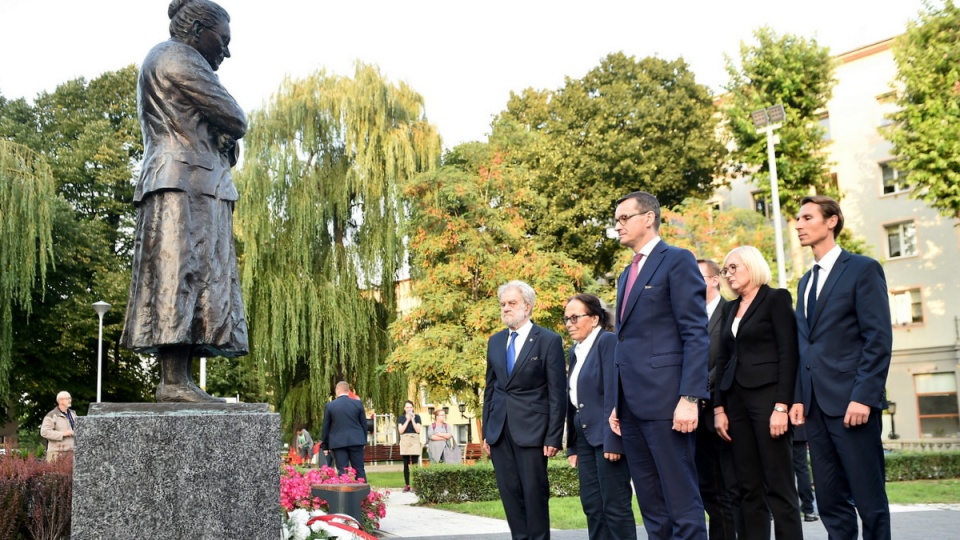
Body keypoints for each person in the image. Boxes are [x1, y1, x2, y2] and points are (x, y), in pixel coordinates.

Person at [120, 0, 248, 403]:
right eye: (222, 40)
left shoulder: (170, 58)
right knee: (180, 274)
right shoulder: (178, 58)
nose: (225, 51)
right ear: (196, 28)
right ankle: (173, 381)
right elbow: (235, 117)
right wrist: (226, 136)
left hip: (193, 181)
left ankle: (180, 379)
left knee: (195, 275)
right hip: (182, 182)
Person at [607, 191, 709, 540]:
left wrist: (690, 397)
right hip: (632, 408)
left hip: (668, 404)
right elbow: (625, 342)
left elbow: (695, 333)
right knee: (652, 507)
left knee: (682, 503)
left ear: (648, 218)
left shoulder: (677, 260)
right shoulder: (625, 274)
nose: (617, 225)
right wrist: (617, 403)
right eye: (616, 220)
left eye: (624, 218)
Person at [789, 195, 893, 540]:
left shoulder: (862, 269)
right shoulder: (805, 282)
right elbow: (805, 347)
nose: (799, 225)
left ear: (831, 221)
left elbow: (877, 339)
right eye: (798, 219)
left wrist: (864, 396)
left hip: (852, 403)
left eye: (807, 217)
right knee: (831, 500)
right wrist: (800, 399)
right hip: (816, 408)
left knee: (869, 499)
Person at [712, 246, 802, 540]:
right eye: (725, 270)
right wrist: (719, 408)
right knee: (747, 486)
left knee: (780, 485)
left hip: (768, 401)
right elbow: (723, 359)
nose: (728, 275)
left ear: (752, 265)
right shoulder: (729, 308)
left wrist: (782, 407)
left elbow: (789, 354)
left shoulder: (775, 299)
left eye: (733, 267)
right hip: (735, 403)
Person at [482, 280, 566, 540]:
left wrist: (554, 436)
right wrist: (487, 431)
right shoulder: (495, 342)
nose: (505, 308)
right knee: (510, 494)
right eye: (503, 304)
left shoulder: (548, 340)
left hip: (533, 431)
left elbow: (557, 392)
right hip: (499, 431)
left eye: (511, 303)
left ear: (527, 306)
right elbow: (490, 388)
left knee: (534, 493)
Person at [564, 293, 637, 540]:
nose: (570, 323)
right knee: (593, 506)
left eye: (575, 317)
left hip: (607, 435)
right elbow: (573, 401)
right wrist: (572, 445)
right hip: (584, 436)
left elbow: (614, 392)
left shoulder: (608, 342)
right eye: (566, 319)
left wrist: (613, 441)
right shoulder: (575, 351)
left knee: (615, 506)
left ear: (594, 318)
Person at [695, 259, 739, 540]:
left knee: (727, 490)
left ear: (715, 280)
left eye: (697, 276)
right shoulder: (687, 318)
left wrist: (696, 387)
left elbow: (728, 359)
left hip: (722, 412)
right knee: (707, 490)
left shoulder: (731, 312)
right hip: (694, 418)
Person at [321, 381, 369, 480]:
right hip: (356, 440)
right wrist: (363, 440)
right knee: (359, 468)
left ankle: (344, 493)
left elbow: (326, 427)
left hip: (338, 443)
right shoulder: (358, 404)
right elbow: (364, 424)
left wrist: (325, 446)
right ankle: (363, 494)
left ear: (337, 390)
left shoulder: (330, 406)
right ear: (348, 390)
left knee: (342, 470)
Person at [40, 391, 78, 462]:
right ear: (60, 401)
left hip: (72, 452)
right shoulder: (51, 415)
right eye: (67, 398)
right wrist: (63, 434)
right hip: (56, 453)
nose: (70, 400)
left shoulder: (73, 414)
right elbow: (44, 432)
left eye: (70, 398)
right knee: (55, 473)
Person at [792, 423, 818, 522]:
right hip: (798, 429)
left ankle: (773, 509)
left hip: (778, 428)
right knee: (802, 469)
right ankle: (808, 509)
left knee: (777, 469)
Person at [398, 400, 423, 492]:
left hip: (414, 439)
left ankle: (417, 484)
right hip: (405, 440)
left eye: (410, 407)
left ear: (413, 408)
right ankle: (407, 484)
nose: (409, 409)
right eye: (407, 407)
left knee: (415, 463)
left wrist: (412, 419)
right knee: (405, 464)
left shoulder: (417, 417)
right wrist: (407, 420)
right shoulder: (401, 418)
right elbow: (400, 430)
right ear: (404, 408)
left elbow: (417, 429)